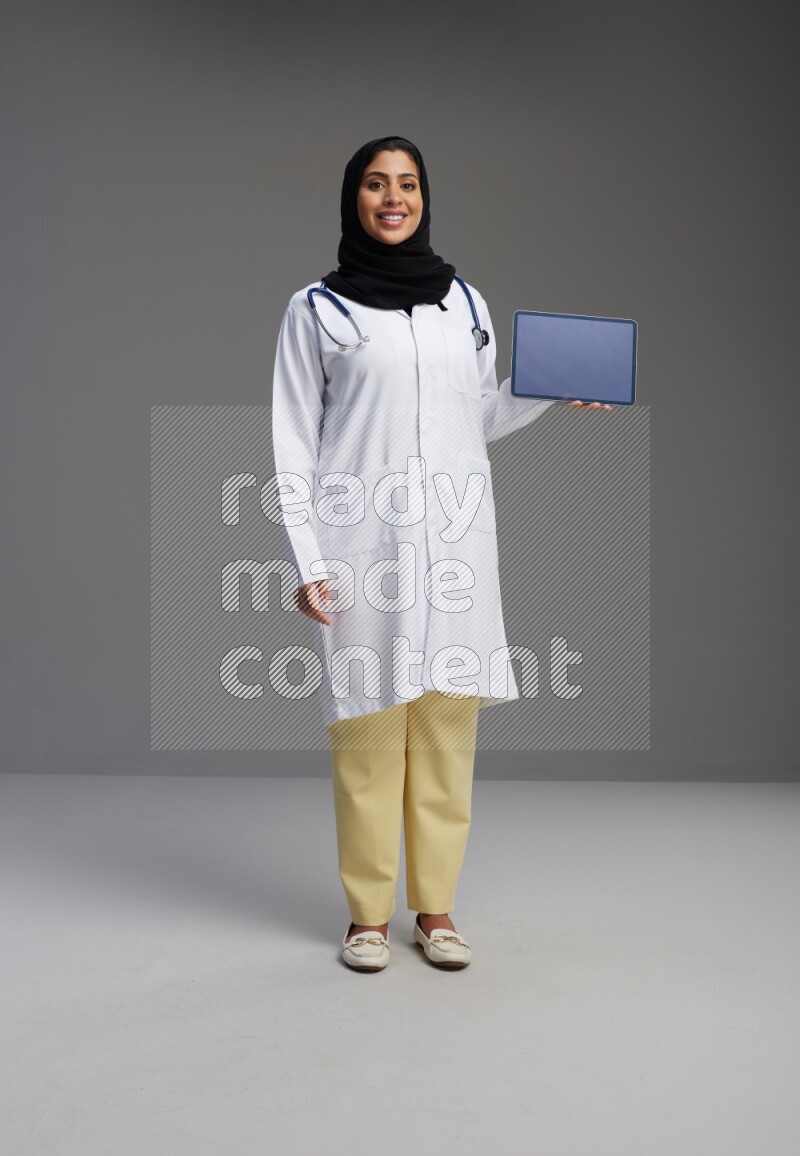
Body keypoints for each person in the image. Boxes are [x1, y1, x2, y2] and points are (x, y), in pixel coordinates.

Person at [271, 135, 610, 971]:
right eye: (378, 185)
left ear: (426, 198)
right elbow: (290, 444)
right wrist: (309, 561)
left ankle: (438, 911)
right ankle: (367, 917)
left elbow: (479, 418)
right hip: (362, 549)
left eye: (409, 185)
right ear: (354, 198)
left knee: (449, 735)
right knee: (370, 737)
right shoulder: (317, 310)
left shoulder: (465, 302)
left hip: (455, 547)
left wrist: (550, 388)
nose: (395, 198)